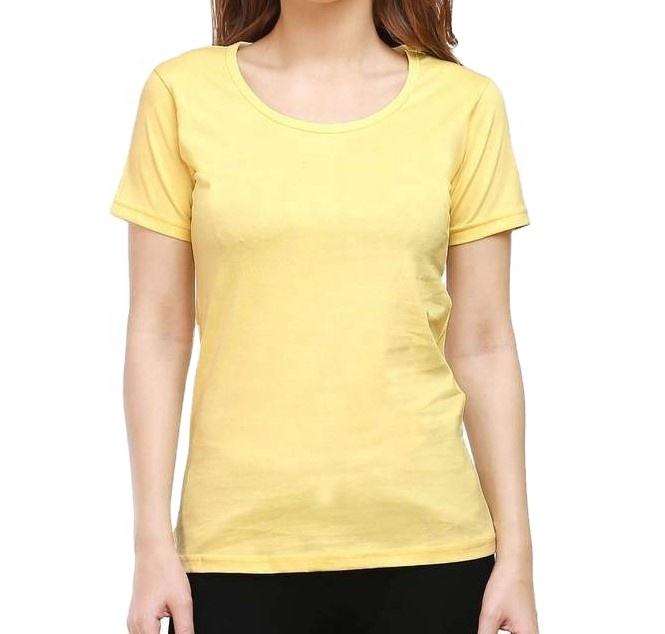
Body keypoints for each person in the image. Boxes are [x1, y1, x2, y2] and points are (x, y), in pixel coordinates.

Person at [112, 1, 538, 632]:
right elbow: (158, 331)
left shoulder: (465, 105)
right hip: (235, 552)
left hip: (434, 550)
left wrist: (517, 555)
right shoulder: (181, 95)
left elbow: (483, 342)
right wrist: (151, 543)